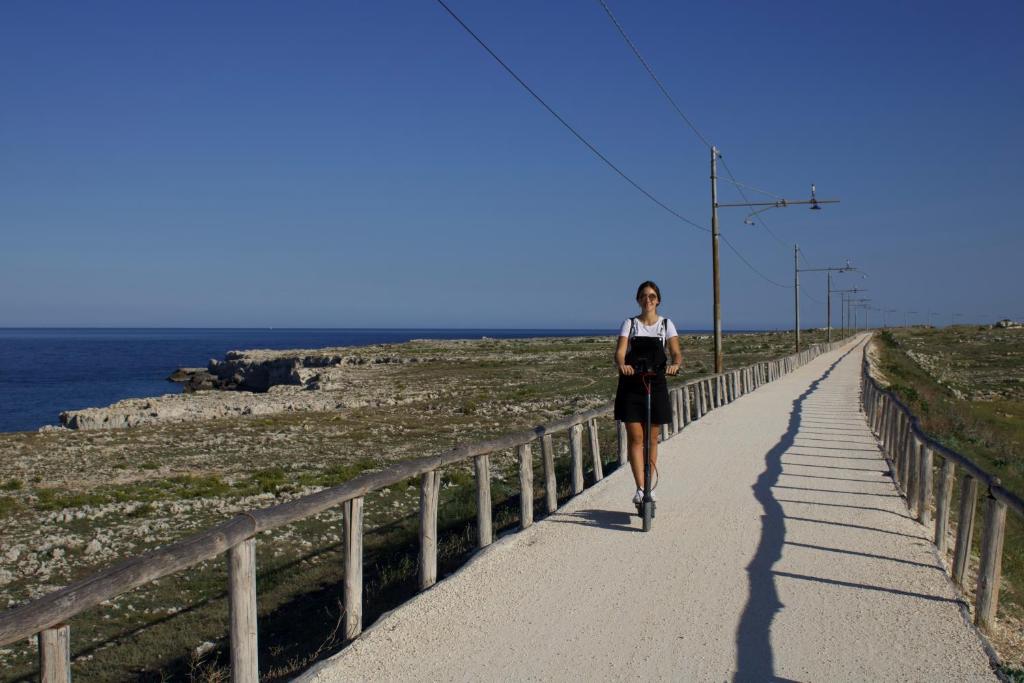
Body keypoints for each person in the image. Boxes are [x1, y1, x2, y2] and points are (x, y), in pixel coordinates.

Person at [613, 280, 682, 509]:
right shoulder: (630, 324)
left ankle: (650, 487)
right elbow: (620, 351)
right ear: (638, 299)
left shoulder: (666, 324)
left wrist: (675, 365)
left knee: (652, 438)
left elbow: (676, 352)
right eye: (643, 296)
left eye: (652, 296)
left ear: (658, 300)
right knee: (636, 438)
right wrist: (622, 364)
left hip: (656, 383)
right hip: (632, 384)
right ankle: (641, 489)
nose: (648, 300)